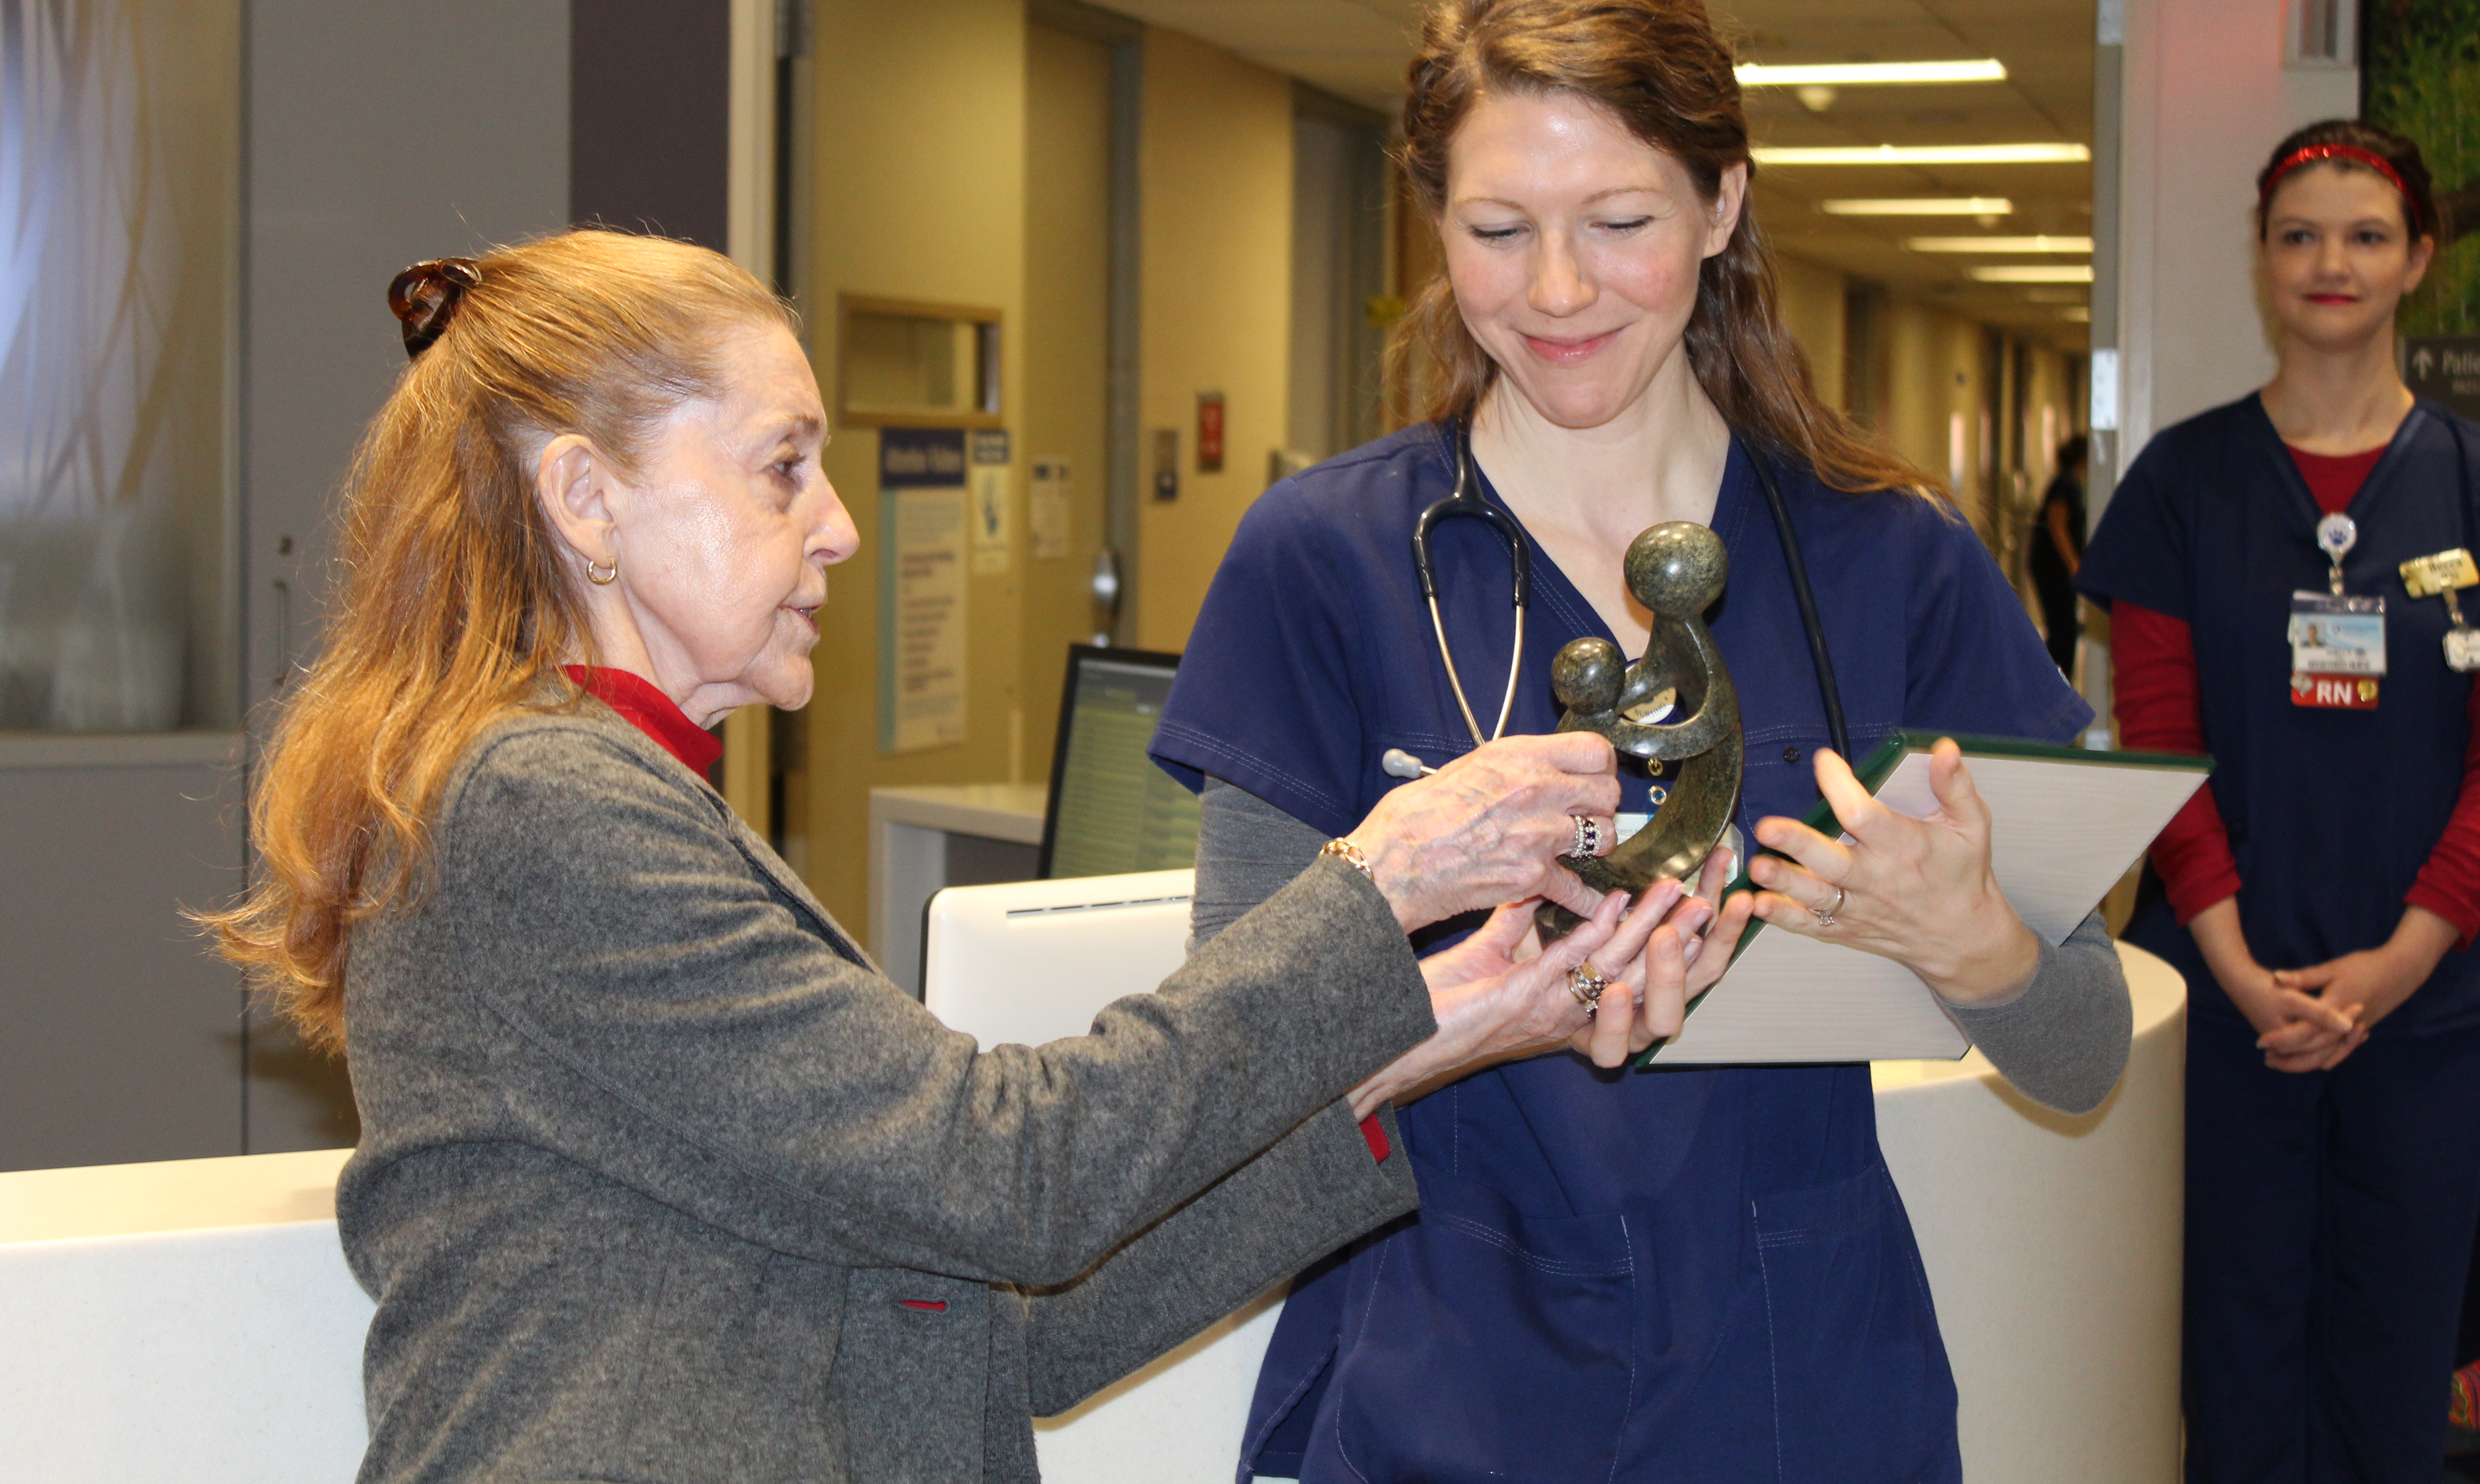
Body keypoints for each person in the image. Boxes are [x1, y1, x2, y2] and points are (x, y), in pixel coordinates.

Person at [202, 229, 1746, 1484]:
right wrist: (1381, 880)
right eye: (782, 467)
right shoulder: (541, 808)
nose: (837, 528)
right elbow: (1012, 1173)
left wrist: (1432, 1031)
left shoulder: (595, 794)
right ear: (586, 500)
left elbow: (989, 1327)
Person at [1150, 0, 2132, 1484]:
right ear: (1436, 223)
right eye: (1498, 230)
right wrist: (1460, 1004)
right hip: (1438, 1371)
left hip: (1798, 1374)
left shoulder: (1888, 560)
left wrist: (1976, 947)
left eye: (1620, 223)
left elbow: (2083, 1049)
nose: (1557, 290)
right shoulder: (1327, 562)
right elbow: (1218, 1076)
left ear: (1721, 205)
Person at [2077, 119, 2480, 1484]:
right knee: (2233, 1377)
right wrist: (2239, 966)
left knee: (2397, 1384)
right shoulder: (2183, 485)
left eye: (2366, 235)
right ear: (2261, 256)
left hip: (2430, 1011)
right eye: (2299, 234)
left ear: (2416, 259)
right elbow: (2161, 740)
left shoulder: (2467, 480)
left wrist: (2405, 955)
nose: (2330, 262)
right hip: (2222, 1005)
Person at [2028, 432, 2089, 674]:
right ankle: (2056, 680)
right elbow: (2058, 523)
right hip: (2054, 568)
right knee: (2063, 630)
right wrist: (2073, 563)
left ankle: (2058, 678)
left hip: (2053, 566)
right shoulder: (2066, 484)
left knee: (2063, 628)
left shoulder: (2068, 482)